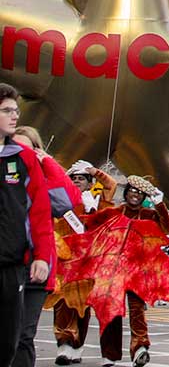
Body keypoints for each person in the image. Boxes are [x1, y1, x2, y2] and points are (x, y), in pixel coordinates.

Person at [56, 176, 169, 367]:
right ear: (127, 191)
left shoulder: (149, 214)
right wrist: (89, 208)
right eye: (132, 190)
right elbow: (89, 225)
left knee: (137, 309)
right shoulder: (114, 212)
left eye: (140, 193)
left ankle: (140, 347)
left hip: (139, 270)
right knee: (111, 312)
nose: (135, 195)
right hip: (112, 270)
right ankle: (110, 355)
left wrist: (160, 205)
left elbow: (167, 227)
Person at [0, 85, 53, 367]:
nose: (14, 116)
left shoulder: (24, 158)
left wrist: (42, 256)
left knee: (10, 342)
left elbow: (40, 212)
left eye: (16, 110)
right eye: (7, 110)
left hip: (12, 266)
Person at [9, 127, 70, 367]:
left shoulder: (43, 179)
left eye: (28, 148)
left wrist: (49, 164)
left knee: (24, 335)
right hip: (9, 264)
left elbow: (66, 202)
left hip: (37, 267)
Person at [51, 160, 114, 366]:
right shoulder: (61, 200)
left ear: (89, 182)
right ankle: (64, 344)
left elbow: (111, 186)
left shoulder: (96, 201)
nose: (77, 181)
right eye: (74, 178)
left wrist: (96, 172)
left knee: (82, 308)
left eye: (82, 179)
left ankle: (77, 346)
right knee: (62, 304)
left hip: (89, 265)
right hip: (65, 262)